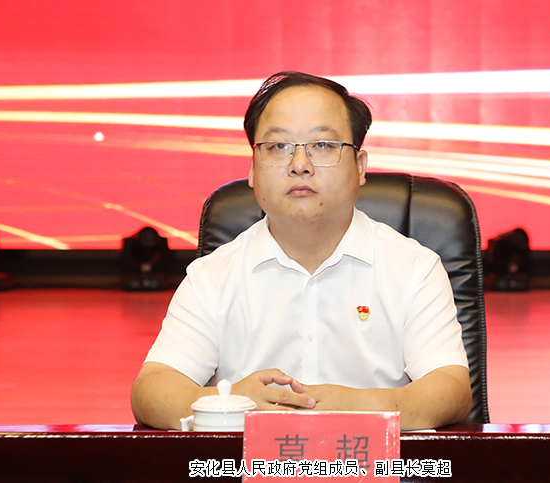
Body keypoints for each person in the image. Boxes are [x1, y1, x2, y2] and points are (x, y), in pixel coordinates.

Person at [131, 71, 472, 431]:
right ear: (253, 169)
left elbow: (451, 390)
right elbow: (152, 391)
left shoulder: (413, 268)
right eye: (278, 146)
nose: (299, 165)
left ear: (359, 167)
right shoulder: (212, 276)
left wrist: (358, 407)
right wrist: (230, 406)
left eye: (323, 145)